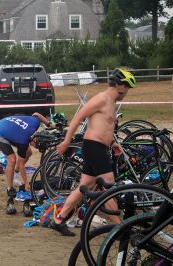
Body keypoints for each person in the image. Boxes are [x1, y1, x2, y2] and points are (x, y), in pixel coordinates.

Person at [50, 68, 136, 236]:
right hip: (93, 147)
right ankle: (121, 227)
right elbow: (78, 118)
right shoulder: (101, 99)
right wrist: (67, 141)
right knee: (109, 186)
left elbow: (103, 127)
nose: (127, 92)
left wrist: (112, 144)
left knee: (85, 186)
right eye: (127, 87)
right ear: (120, 86)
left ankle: (59, 219)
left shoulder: (111, 103)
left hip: (99, 147)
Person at [0, 112, 56, 214]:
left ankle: (15, 174)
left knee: (29, 152)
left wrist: (50, 124)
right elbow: (22, 164)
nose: (36, 148)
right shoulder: (23, 141)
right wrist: (26, 182)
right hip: (0, 130)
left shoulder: (35, 124)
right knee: (12, 159)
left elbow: (36, 114)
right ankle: (10, 188)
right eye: (37, 146)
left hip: (12, 128)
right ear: (34, 140)